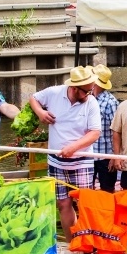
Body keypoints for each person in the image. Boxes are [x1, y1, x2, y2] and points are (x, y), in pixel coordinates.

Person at [30, 66, 102, 242]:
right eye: (86, 91)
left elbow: (94, 133)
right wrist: (40, 113)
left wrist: (74, 148)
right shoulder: (54, 93)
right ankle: (73, 243)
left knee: (84, 204)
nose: (90, 94)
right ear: (75, 88)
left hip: (81, 160)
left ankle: (88, 245)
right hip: (56, 161)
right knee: (63, 204)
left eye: (91, 89)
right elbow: (33, 98)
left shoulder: (91, 102)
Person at [90, 65, 119, 193]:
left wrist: (114, 156)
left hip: (105, 154)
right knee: (86, 189)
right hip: (89, 152)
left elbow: (116, 130)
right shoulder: (88, 98)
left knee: (107, 190)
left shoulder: (110, 102)